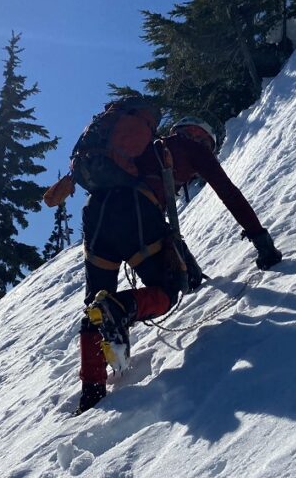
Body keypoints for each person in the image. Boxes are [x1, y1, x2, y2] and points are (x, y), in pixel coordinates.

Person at [75, 115, 282, 414]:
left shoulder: (141, 153)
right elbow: (229, 193)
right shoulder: (189, 148)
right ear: (200, 136)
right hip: (135, 211)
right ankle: (121, 309)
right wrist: (262, 242)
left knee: (95, 306)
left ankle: (92, 393)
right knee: (166, 290)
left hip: (95, 216)